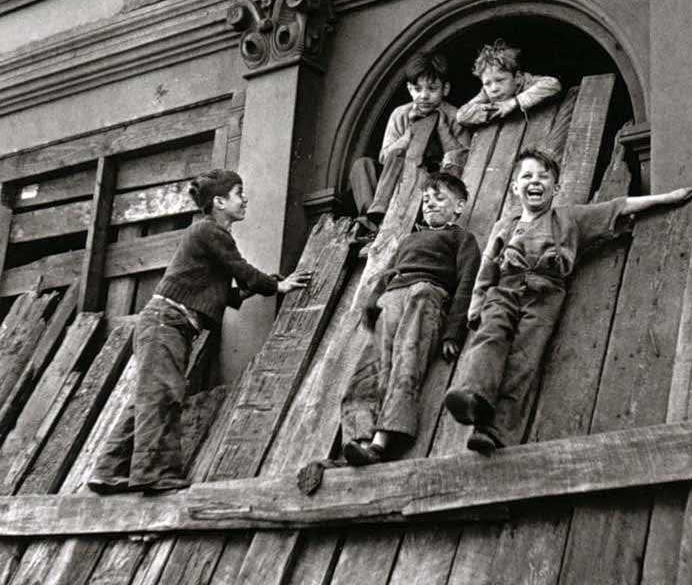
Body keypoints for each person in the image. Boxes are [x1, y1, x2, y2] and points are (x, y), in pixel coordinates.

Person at [445, 148, 692, 454]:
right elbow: (488, 266)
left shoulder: (569, 218)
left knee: (524, 359)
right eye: (527, 176)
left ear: (556, 188)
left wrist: (667, 198)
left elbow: (617, 207)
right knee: (490, 335)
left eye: (543, 176)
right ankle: (474, 397)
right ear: (514, 187)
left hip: (544, 294)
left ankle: (494, 430)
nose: (535, 181)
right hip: (506, 289)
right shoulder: (505, 226)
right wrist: (477, 302)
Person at [87, 169, 311, 495]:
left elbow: (225, 294)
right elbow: (244, 272)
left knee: (149, 396)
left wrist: (261, 285)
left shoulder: (208, 236)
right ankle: (154, 475)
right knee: (163, 394)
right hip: (166, 324)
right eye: (239, 193)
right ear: (220, 202)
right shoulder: (210, 232)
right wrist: (277, 286)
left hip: (166, 324)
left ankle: (107, 471)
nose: (244, 198)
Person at [341, 172, 481, 465]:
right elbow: (389, 272)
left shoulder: (461, 238)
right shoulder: (410, 238)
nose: (429, 204)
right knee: (370, 366)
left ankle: (382, 441)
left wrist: (452, 332)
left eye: (439, 198)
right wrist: (372, 303)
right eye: (426, 200)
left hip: (426, 294)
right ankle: (360, 439)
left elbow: (466, 285)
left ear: (459, 206)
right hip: (393, 297)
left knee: (407, 361)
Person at [349, 52, 469, 238]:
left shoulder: (455, 115)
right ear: (409, 88)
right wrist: (409, 133)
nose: (424, 95)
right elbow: (384, 156)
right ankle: (374, 219)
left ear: (445, 89)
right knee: (362, 165)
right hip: (394, 181)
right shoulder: (400, 114)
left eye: (432, 88)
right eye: (417, 89)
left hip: (429, 186)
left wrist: (443, 128)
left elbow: (463, 160)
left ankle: (400, 219)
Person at [456, 38, 561, 128]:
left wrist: (514, 103)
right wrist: (492, 111)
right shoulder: (486, 93)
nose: (494, 88)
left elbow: (553, 84)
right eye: (487, 83)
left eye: (500, 80)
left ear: (517, 77)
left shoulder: (527, 81)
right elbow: (461, 115)